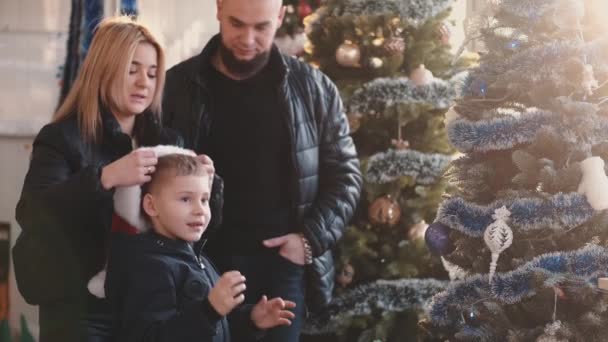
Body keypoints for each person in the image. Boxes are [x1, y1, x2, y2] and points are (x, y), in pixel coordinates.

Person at [162, 0, 363, 340]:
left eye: (262, 27)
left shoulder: (314, 87)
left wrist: (310, 240)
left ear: (280, 18)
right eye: (237, 24)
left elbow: (346, 176)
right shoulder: (175, 87)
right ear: (219, 9)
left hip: (282, 268)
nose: (248, 39)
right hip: (200, 262)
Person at [13, 16, 181, 342]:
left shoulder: (170, 142)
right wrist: (105, 178)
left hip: (149, 306)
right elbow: (33, 212)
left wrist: (209, 188)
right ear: (103, 69)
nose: (143, 82)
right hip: (80, 309)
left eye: (151, 72)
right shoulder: (62, 138)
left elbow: (192, 231)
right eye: (131, 69)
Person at [105, 151, 297, 341]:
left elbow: (217, 328)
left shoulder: (199, 258)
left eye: (204, 200)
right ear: (151, 206)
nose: (200, 210)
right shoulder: (149, 267)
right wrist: (210, 310)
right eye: (185, 199)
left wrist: (251, 320)